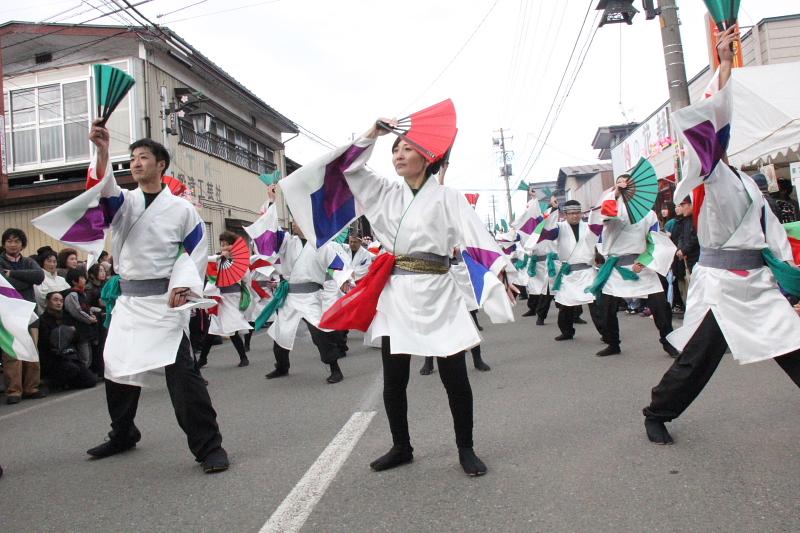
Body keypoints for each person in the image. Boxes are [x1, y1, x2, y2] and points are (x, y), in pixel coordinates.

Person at [281, 118, 515, 476]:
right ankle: (401, 446)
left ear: (427, 157)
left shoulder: (448, 197)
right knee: (394, 378)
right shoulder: (385, 192)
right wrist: (373, 134)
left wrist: (500, 271)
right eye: (396, 149)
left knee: (455, 377)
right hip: (396, 293)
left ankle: (465, 448)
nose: (399, 154)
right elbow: (349, 167)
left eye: (407, 148)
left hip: (438, 290)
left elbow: (476, 236)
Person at [34, 120, 228, 473]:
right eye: (132, 158)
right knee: (118, 370)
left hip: (165, 302)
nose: (136, 163)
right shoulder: (125, 203)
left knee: (183, 377)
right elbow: (104, 192)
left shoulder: (183, 210)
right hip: (128, 303)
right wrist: (103, 150)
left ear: (161, 165)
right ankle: (123, 432)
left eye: (143, 158)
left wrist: (183, 284)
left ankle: (209, 446)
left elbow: (195, 252)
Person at [642, 27, 800, 445]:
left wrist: (788, 277)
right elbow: (714, 111)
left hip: (758, 284)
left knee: (793, 343)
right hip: (721, 288)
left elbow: (770, 234)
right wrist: (726, 64)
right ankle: (657, 412)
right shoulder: (708, 177)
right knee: (698, 360)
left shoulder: (745, 182)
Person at [588, 178, 678, 358]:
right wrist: (615, 195)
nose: (623, 185)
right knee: (606, 308)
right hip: (615, 266)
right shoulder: (611, 207)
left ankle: (668, 342)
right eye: (619, 183)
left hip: (641, 265)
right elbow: (603, 219)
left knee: (660, 307)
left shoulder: (648, 214)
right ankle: (613, 343)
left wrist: (644, 261)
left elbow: (654, 240)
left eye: (627, 183)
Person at [261, 212, 349, 384]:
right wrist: (271, 204)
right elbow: (270, 235)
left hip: (311, 296)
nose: (294, 225)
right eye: (293, 222)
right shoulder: (287, 242)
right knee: (282, 332)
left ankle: (335, 369)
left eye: (298, 222)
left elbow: (336, 266)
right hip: (290, 296)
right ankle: (282, 366)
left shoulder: (321, 245)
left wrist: (339, 286)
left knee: (319, 333)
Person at [1, 228, 46, 404]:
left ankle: (31, 387)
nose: (13, 244)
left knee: (32, 350)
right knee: (11, 353)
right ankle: (13, 391)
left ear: (23, 244)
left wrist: (12, 274)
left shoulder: (28, 261)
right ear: (4, 244)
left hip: (29, 312)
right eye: (9, 241)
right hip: (8, 313)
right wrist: (26, 280)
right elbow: (5, 284)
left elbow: (39, 276)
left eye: (17, 241)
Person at [198, 231, 252, 368]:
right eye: (222, 244)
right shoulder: (217, 259)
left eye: (226, 245)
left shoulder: (239, 262)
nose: (223, 247)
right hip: (219, 298)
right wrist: (219, 260)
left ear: (232, 246)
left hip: (232, 297)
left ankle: (243, 357)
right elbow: (207, 265)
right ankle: (203, 359)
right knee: (212, 330)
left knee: (232, 327)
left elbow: (245, 278)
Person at [550, 200, 603, 342]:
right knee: (565, 305)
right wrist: (553, 208)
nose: (575, 216)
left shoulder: (588, 227)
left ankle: (606, 333)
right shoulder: (559, 227)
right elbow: (548, 231)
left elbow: (600, 234)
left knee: (595, 304)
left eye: (577, 213)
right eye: (571, 213)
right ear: (565, 214)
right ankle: (567, 332)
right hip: (568, 273)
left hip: (587, 271)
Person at [37, 292, 97, 390]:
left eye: (61, 301)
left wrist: (72, 332)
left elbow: (77, 338)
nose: (59, 303)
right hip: (53, 358)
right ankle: (50, 382)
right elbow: (45, 343)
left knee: (90, 380)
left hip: (70, 356)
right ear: (47, 302)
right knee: (71, 369)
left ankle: (67, 383)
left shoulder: (66, 318)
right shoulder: (43, 320)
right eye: (55, 300)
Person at [521, 198, 558, 325]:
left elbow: (552, 223)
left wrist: (554, 208)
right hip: (538, 264)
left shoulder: (553, 228)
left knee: (565, 289)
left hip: (553, 263)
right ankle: (538, 314)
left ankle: (575, 315)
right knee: (539, 290)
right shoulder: (535, 230)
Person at [63, 268, 98, 372]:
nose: (84, 280)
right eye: (82, 278)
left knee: (89, 355)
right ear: (74, 281)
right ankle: (83, 375)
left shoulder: (82, 293)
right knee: (84, 356)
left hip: (85, 330)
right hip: (79, 330)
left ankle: (87, 374)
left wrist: (92, 314)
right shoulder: (72, 294)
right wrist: (90, 319)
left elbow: (86, 308)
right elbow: (77, 311)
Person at [34, 247, 70, 314]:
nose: (52, 264)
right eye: (49, 261)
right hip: (46, 316)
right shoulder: (39, 279)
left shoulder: (61, 279)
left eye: (54, 261)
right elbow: (41, 299)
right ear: (42, 262)